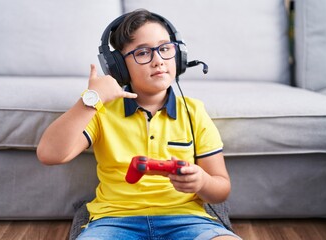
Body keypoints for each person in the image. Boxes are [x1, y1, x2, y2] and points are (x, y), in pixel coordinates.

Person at [37, 9, 241, 240]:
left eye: (165, 49)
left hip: (187, 219)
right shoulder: (101, 111)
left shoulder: (194, 112)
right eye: (143, 53)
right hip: (114, 221)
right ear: (118, 68)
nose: (158, 61)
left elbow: (221, 189)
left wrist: (202, 181)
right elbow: (49, 154)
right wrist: (91, 99)